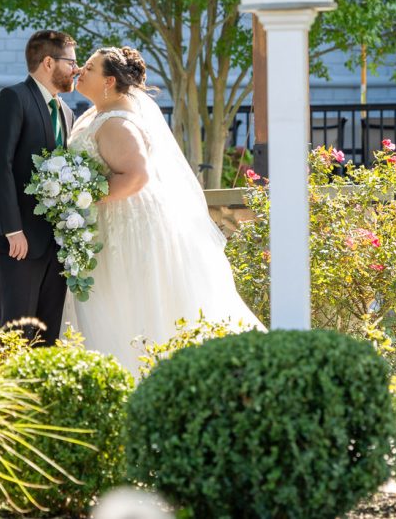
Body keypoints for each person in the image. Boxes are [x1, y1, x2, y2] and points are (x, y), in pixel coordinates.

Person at [62, 46, 263, 371]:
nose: (80, 72)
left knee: (129, 300)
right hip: (108, 220)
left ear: (109, 81)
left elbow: (137, 176)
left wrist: (84, 197)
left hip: (124, 224)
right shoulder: (96, 113)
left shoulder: (116, 123)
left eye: (89, 68)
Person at [0, 30, 77, 346]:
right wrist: (12, 230)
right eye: (71, 61)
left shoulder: (66, 112)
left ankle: (41, 392)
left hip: (54, 241)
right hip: (17, 240)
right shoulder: (12, 99)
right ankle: (8, 394)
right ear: (48, 62)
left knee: (48, 333)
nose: (77, 68)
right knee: (16, 331)